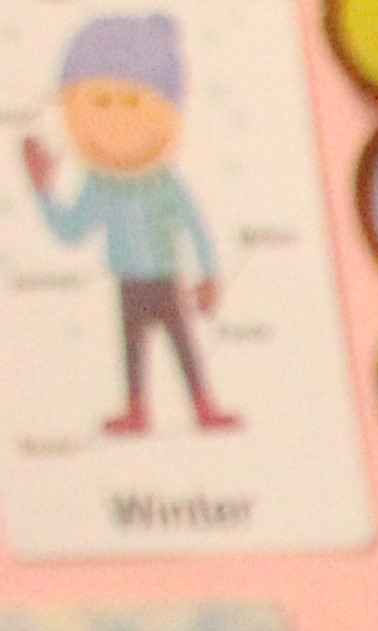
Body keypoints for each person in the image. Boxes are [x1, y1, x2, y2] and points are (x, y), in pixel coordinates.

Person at [23, 14, 232, 440]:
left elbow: (196, 227)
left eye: (132, 102)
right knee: (132, 349)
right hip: (129, 282)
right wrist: (44, 191)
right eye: (99, 103)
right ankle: (137, 409)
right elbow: (70, 231)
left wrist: (210, 274)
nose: (115, 120)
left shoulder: (165, 182)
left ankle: (203, 405)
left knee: (184, 345)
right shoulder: (101, 185)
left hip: (166, 278)